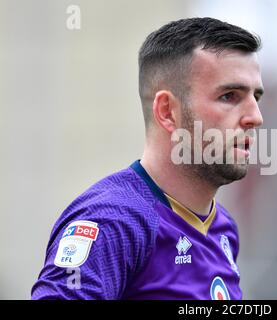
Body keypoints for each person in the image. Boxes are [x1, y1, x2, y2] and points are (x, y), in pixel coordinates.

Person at [31, 17, 264, 300]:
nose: (256, 117)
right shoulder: (111, 222)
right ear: (167, 111)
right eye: (229, 96)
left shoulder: (223, 227)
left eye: (256, 97)